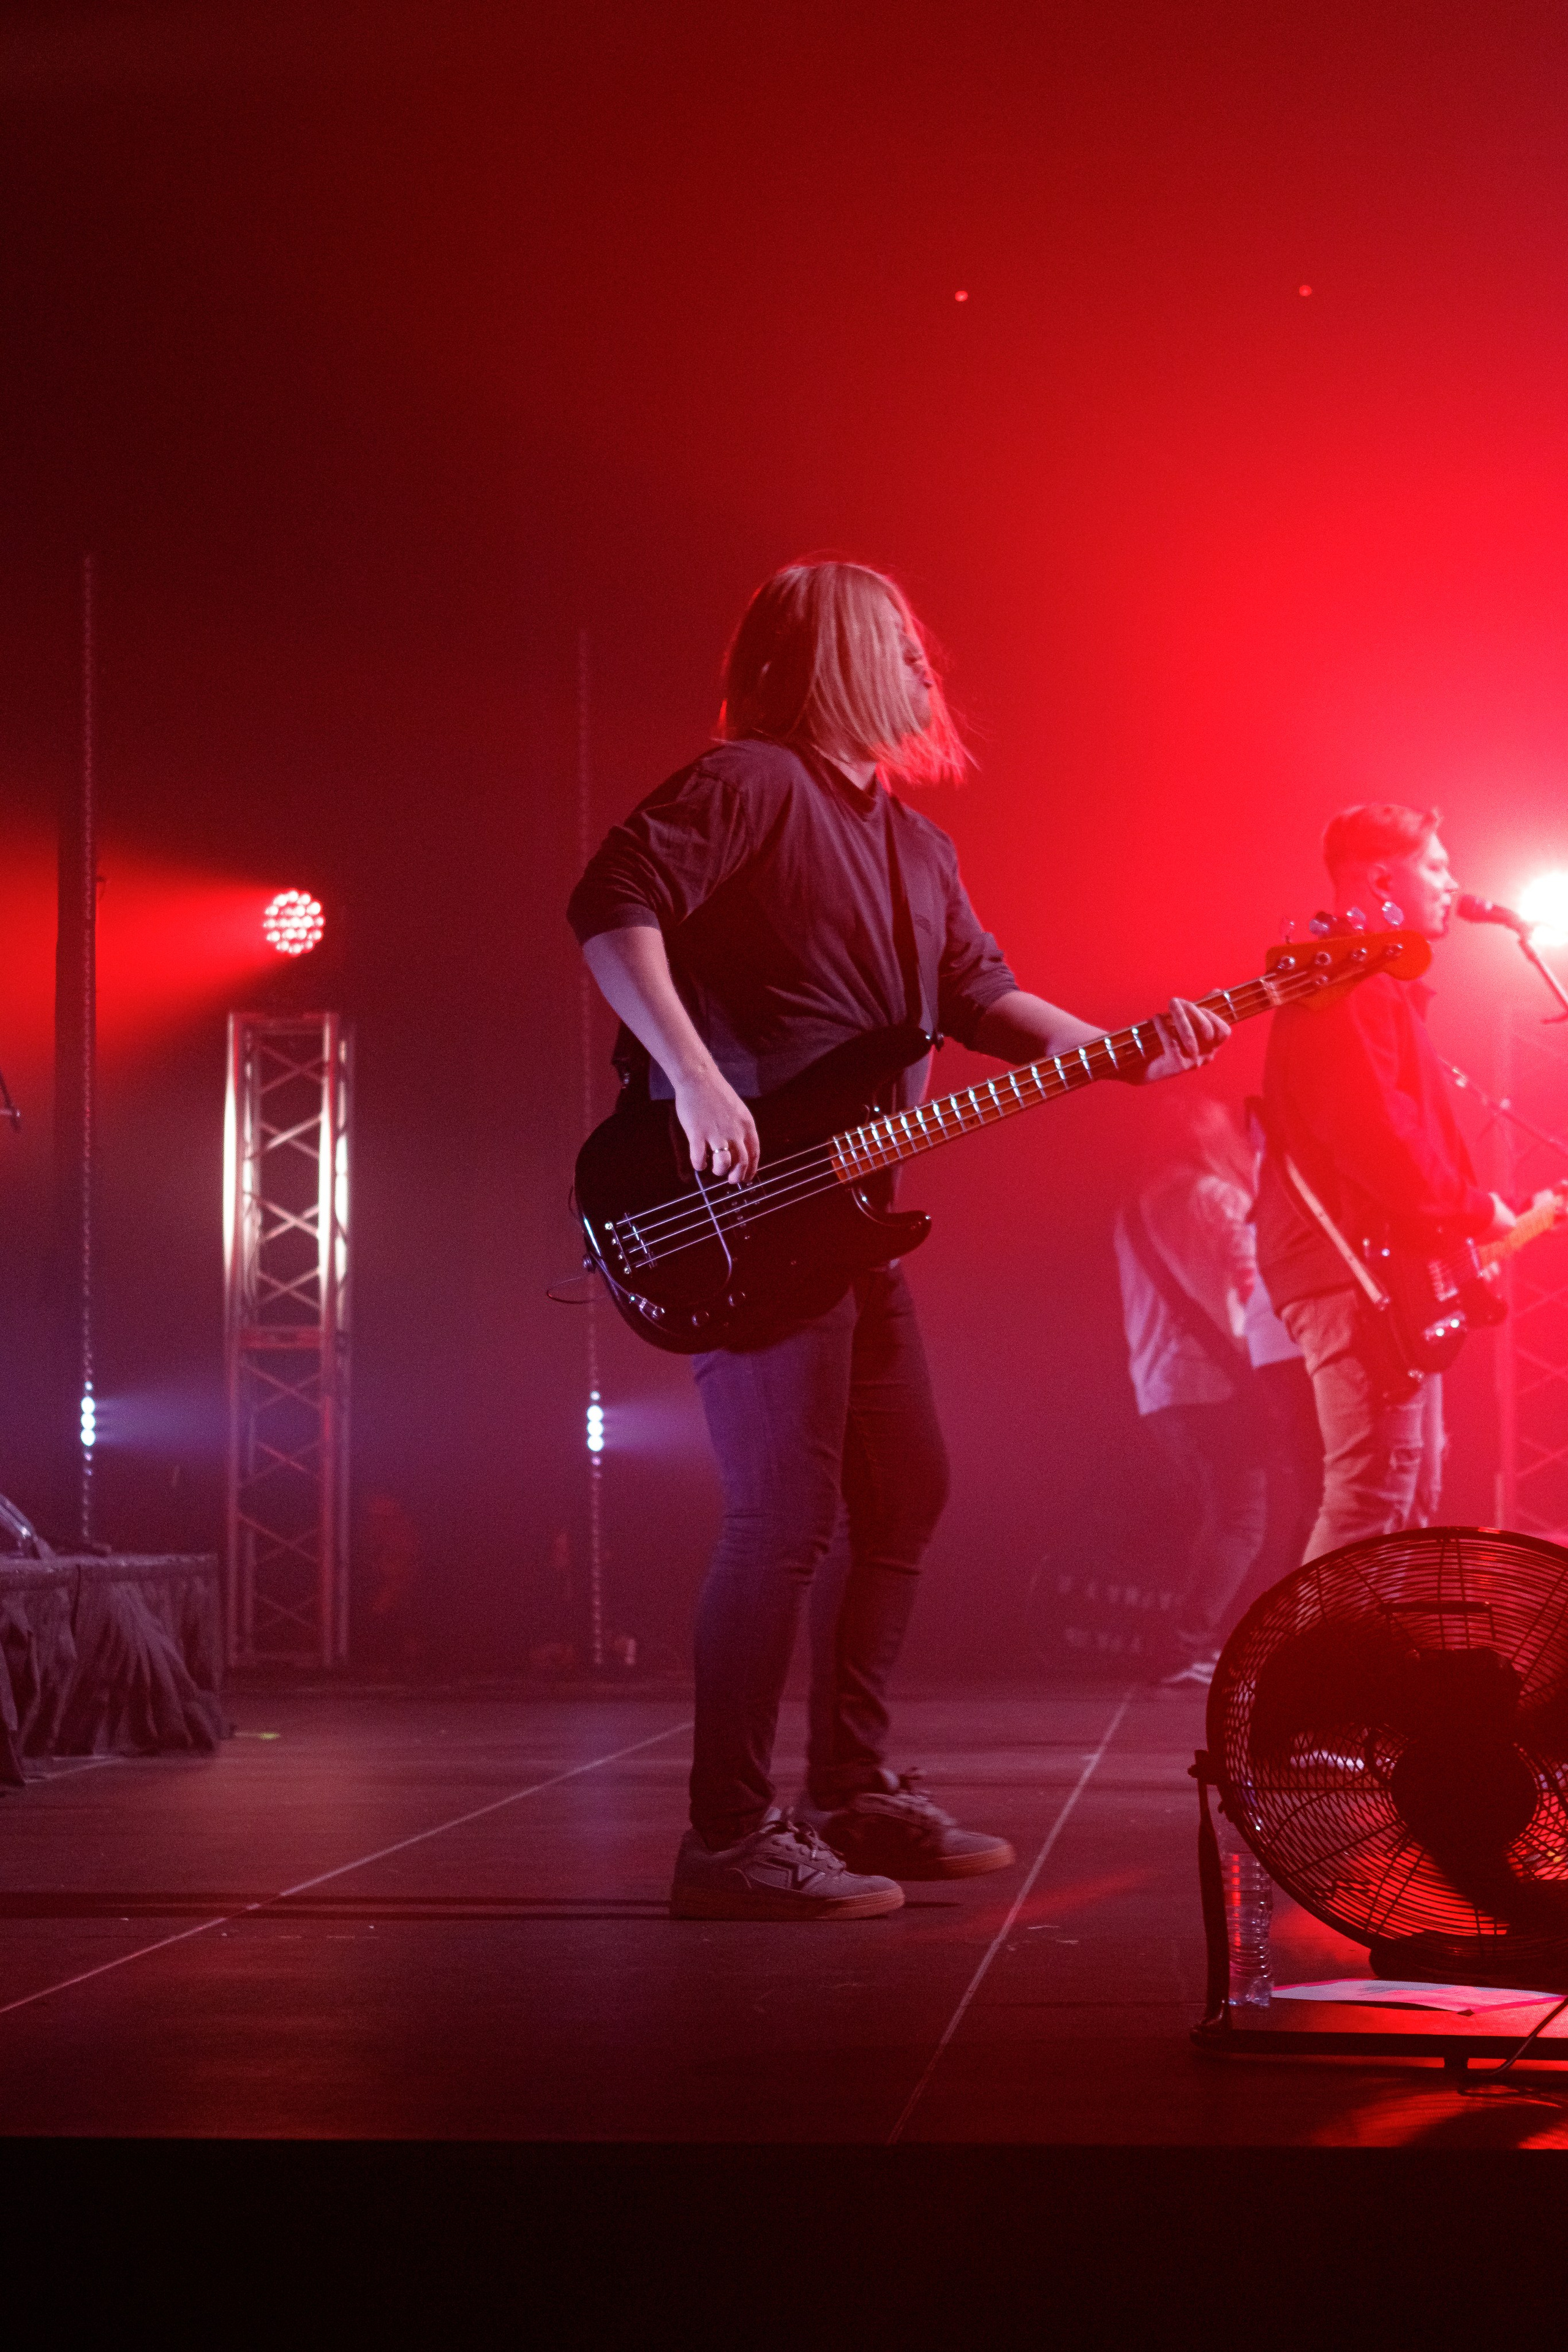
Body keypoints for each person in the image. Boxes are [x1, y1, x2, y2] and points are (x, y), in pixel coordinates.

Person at [569, 557, 1229, 1922]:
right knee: (781, 1518)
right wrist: (692, 1077)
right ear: (839, 662)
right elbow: (608, 905)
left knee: (903, 1493)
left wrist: (1118, 1053)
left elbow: (978, 995)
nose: (931, 679)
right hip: (737, 1214)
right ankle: (730, 1836)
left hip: (850, 1222)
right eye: (907, 655)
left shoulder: (916, 845)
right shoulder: (747, 783)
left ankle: (849, 1792)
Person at [1254, 804, 1514, 1561]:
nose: (1453, 883)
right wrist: (1472, 1208)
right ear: (1380, 877)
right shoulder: (1347, 985)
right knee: (1371, 1496)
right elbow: (1377, 1136)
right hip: (1351, 1270)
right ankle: (1305, 1677)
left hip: (1376, 1269)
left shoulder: (1371, 985)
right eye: (1435, 865)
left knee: (1407, 1496)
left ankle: (1374, 1675)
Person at [1112, 1092, 1267, 1689]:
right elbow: (1254, 1289)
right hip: (1217, 1381)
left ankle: (1184, 1644)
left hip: (1158, 1385)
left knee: (1220, 1515)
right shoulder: (1219, 1198)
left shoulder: (1135, 1205)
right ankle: (1183, 1646)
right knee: (1242, 1519)